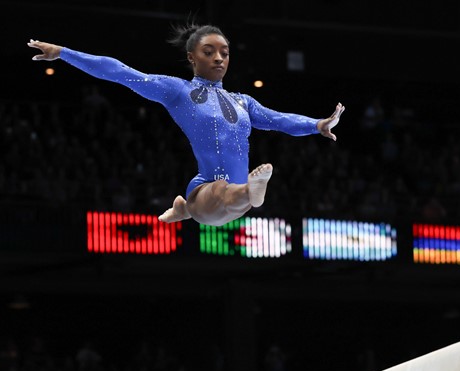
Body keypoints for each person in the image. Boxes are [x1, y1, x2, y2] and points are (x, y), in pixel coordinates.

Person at [28, 23, 345, 227]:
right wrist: (63, 54)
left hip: (230, 198)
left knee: (234, 194)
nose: (219, 58)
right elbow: (119, 72)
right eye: (209, 52)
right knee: (225, 191)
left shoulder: (243, 102)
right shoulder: (177, 90)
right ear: (192, 58)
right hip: (207, 189)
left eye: (224, 52)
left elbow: (279, 120)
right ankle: (227, 196)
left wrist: (317, 124)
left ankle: (200, 204)